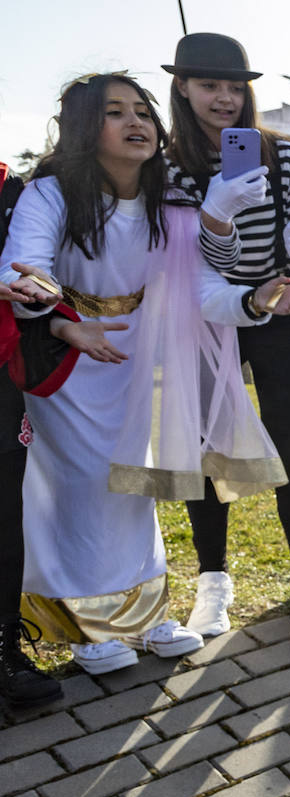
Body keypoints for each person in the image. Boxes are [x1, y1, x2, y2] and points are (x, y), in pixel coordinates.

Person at [2, 73, 290, 675]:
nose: (136, 122)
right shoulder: (52, 194)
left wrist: (256, 300)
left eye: (142, 111)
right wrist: (50, 306)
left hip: (133, 355)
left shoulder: (171, 201)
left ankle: (142, 612)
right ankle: (85, 624)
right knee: (82, 480)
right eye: (116, 113)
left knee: (132, 478)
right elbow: (23, 266)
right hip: (69, 355)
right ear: (86, 128)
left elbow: (203, 291)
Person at [163, 32, 290, 656]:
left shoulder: (284, 155)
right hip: (207, 320)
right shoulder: (171, 168)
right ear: (182, 87)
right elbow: (202, 263)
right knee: (209, 448)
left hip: (284, 317)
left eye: (234, 86)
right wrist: (219, 209)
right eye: (209, 85)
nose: (224, 99)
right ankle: (213, 582)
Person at [0, 162, 62, 707]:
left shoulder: (12, 187)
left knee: (4, 520)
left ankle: (5, 653)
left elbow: (35, 272)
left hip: (1, 376)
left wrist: (37, 289)